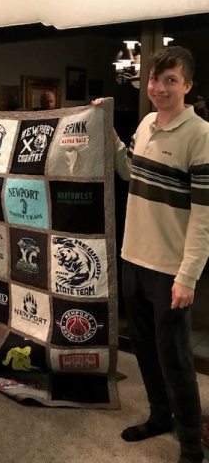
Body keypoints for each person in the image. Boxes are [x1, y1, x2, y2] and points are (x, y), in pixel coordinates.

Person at [94, 46, 209, 463]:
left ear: (188, 86)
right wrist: (110, 137)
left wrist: (188, 276)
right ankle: (160, 415)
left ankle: (192, 445)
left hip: (169, 270)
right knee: (143, 348)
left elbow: (204, 217)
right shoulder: (145, 124)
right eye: (154, 80)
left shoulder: (201, 136)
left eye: (170, 80)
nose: (159, 88)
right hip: (133, 259)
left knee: (175, 357)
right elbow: (130, 172)